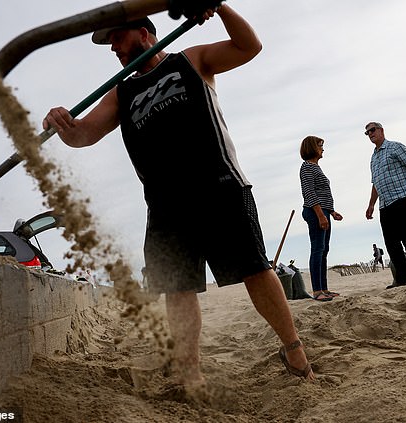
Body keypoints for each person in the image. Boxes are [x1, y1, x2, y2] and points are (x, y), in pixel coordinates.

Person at [43, 5, 314, 385]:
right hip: (165, 206)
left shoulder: (192, 60)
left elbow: (249, 46)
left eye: (117, 38)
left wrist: (218, 7)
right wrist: (62, 124)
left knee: (256, 269)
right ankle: (190, 374)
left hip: (220, 187)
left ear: (143, 32)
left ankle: (294, 349)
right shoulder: (122, 92)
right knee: (177, 287)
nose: (113, 49)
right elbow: (84, 134)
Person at [364, 122, 406, 288]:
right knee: (391, 243)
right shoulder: (373, 158)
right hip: (384, 205)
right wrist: (371, 205)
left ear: (381, 130)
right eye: (367, 133)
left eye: (372, 130)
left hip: (401, 197)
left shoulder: (395, 147)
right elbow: (375, 183)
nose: (370, 134)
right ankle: (402, 279)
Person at [299, 136, 344, 301]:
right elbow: (309, 193)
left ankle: (324, 288)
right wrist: (320, 215)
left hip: (323, 211)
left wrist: (331, 212)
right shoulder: (307, 167)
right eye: (320, 146)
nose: (323, 149)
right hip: (314, 212)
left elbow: (321, 192)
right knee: (317, 250)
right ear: (312, 147)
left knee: (324, 250)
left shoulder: (316, 167)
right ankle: (317, 291)